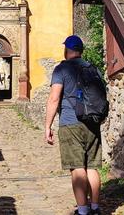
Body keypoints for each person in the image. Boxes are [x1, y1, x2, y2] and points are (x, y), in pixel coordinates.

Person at [45, 35, 102, 215]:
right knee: (92, 166)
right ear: (81, 50)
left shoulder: (61, 69)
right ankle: (95, 207)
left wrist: (48, 125)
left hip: (70, 123)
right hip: (92, 123)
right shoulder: (93, 69)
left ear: (67, 50)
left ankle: (83, 211)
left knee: (77, 167)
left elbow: (54, 98)